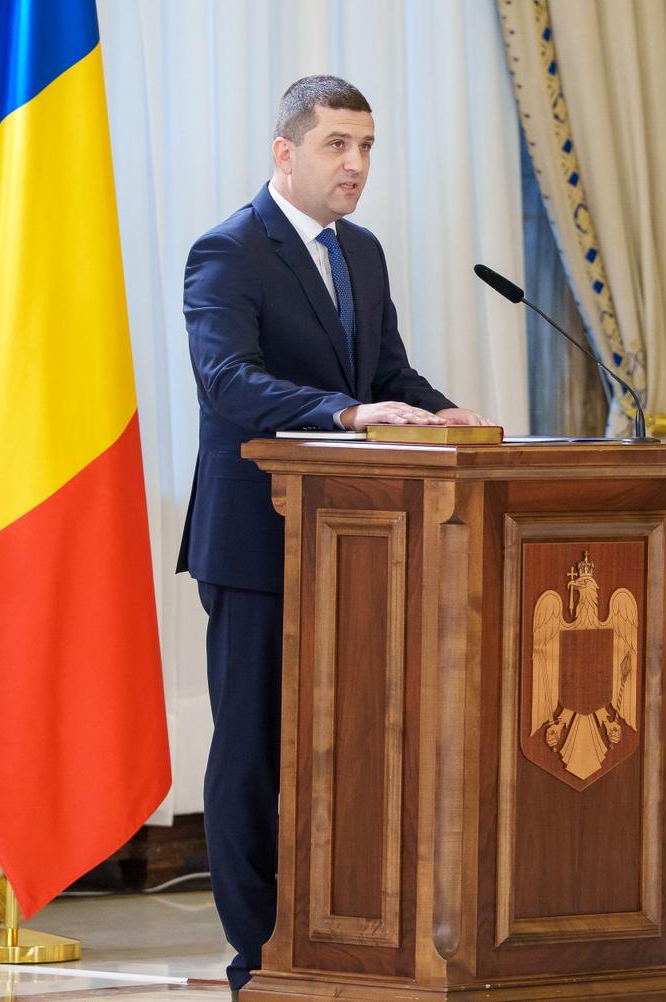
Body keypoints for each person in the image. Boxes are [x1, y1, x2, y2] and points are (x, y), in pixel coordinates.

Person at [178, 75, 486, 995]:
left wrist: (444, 413)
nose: (356, 165)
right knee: (253, 752)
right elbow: (227, 380)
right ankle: (255, 958)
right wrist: (346, 415)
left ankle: (340, 940)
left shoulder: (362, 252)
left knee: (348, 747)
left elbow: (385, 372)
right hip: (255, 541)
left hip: (357, 547)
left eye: (366, 147)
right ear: (286, 151)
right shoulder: (228, 250)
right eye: (337, 145)